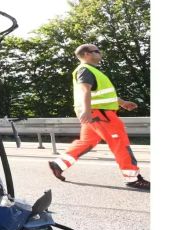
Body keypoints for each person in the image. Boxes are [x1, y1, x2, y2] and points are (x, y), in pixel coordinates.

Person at [48, 44, 150, 190]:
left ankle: (59, 164)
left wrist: (122, 103)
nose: (100, 53)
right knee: (120, 143)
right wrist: (87, 110)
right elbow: (85, 90)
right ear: (86, 54)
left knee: (86, 142)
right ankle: (133, 178)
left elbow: (102, 95)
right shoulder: (85, 69)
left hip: (96, 114)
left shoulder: (93, 71)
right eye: (96, 51)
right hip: (100, 114)